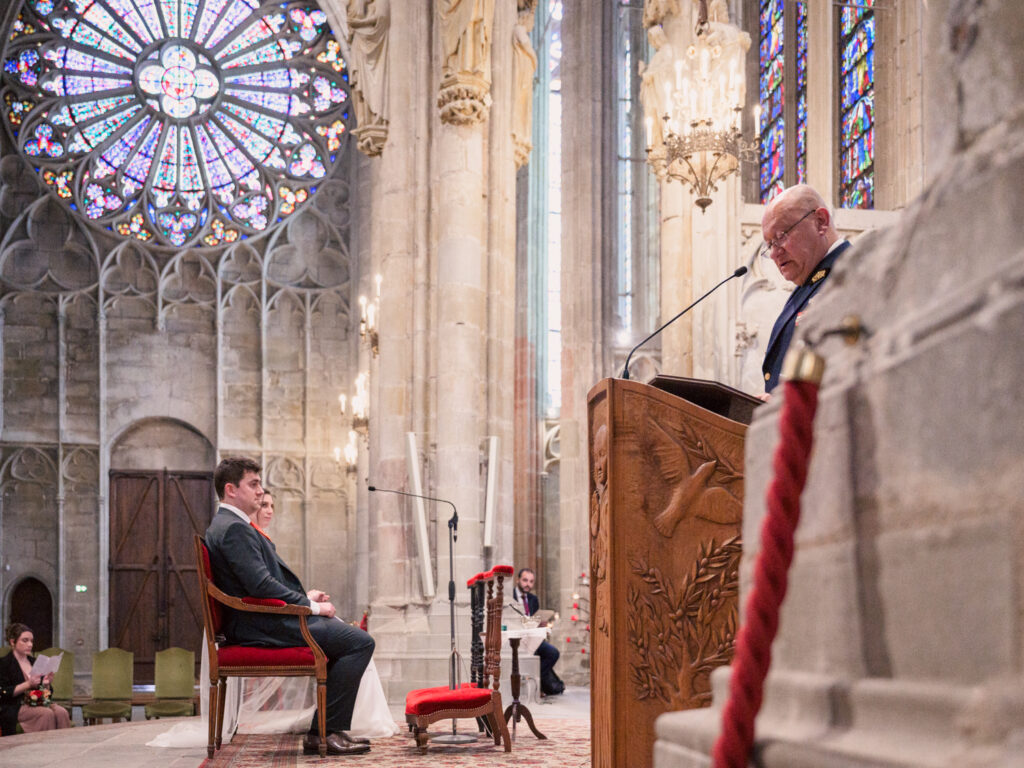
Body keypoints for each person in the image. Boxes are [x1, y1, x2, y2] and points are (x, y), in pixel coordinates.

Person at [204, 457, 375, 756]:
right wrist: (312, 607)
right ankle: (326, 731)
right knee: (359, 642)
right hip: (260, 624)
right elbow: (261, 586)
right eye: (253, 484)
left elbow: (257, 583)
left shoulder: (230, 524)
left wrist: (305, 598)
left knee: (344, 639)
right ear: (231, 490)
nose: (260, 492)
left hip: (260, 617)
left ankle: (323, 732)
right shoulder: (234, 529)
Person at [760, 184, 851, 394]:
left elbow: (848, 369)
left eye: (781, 236)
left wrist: (783, 405)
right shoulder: (809, 285)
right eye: (770, 244)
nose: (774, 254)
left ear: (820, 222)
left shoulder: (851, 274)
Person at [0, 623, 71, 736]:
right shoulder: (4, 664)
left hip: (38, 702)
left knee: (62, 712)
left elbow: (48, 694)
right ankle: (43, 749)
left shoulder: (35, 662)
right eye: (25, 640)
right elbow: (3, 692)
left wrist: (47, 684)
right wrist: (28, 684)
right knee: (45, 713)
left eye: (31, 641)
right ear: (12, 642)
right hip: (16, 706)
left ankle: (63, 749)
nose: (30, 644)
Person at [510, 568, 564, 696]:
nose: (528, 584)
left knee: (553, 653)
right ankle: (537, 686)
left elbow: (534, 617)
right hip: (518, 637)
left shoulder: (533, 599)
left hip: (532, 636)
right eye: (525, 580)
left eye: (531, 581)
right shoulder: (510, 596)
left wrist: (541, 624)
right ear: (518, 580)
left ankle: (536, 680)